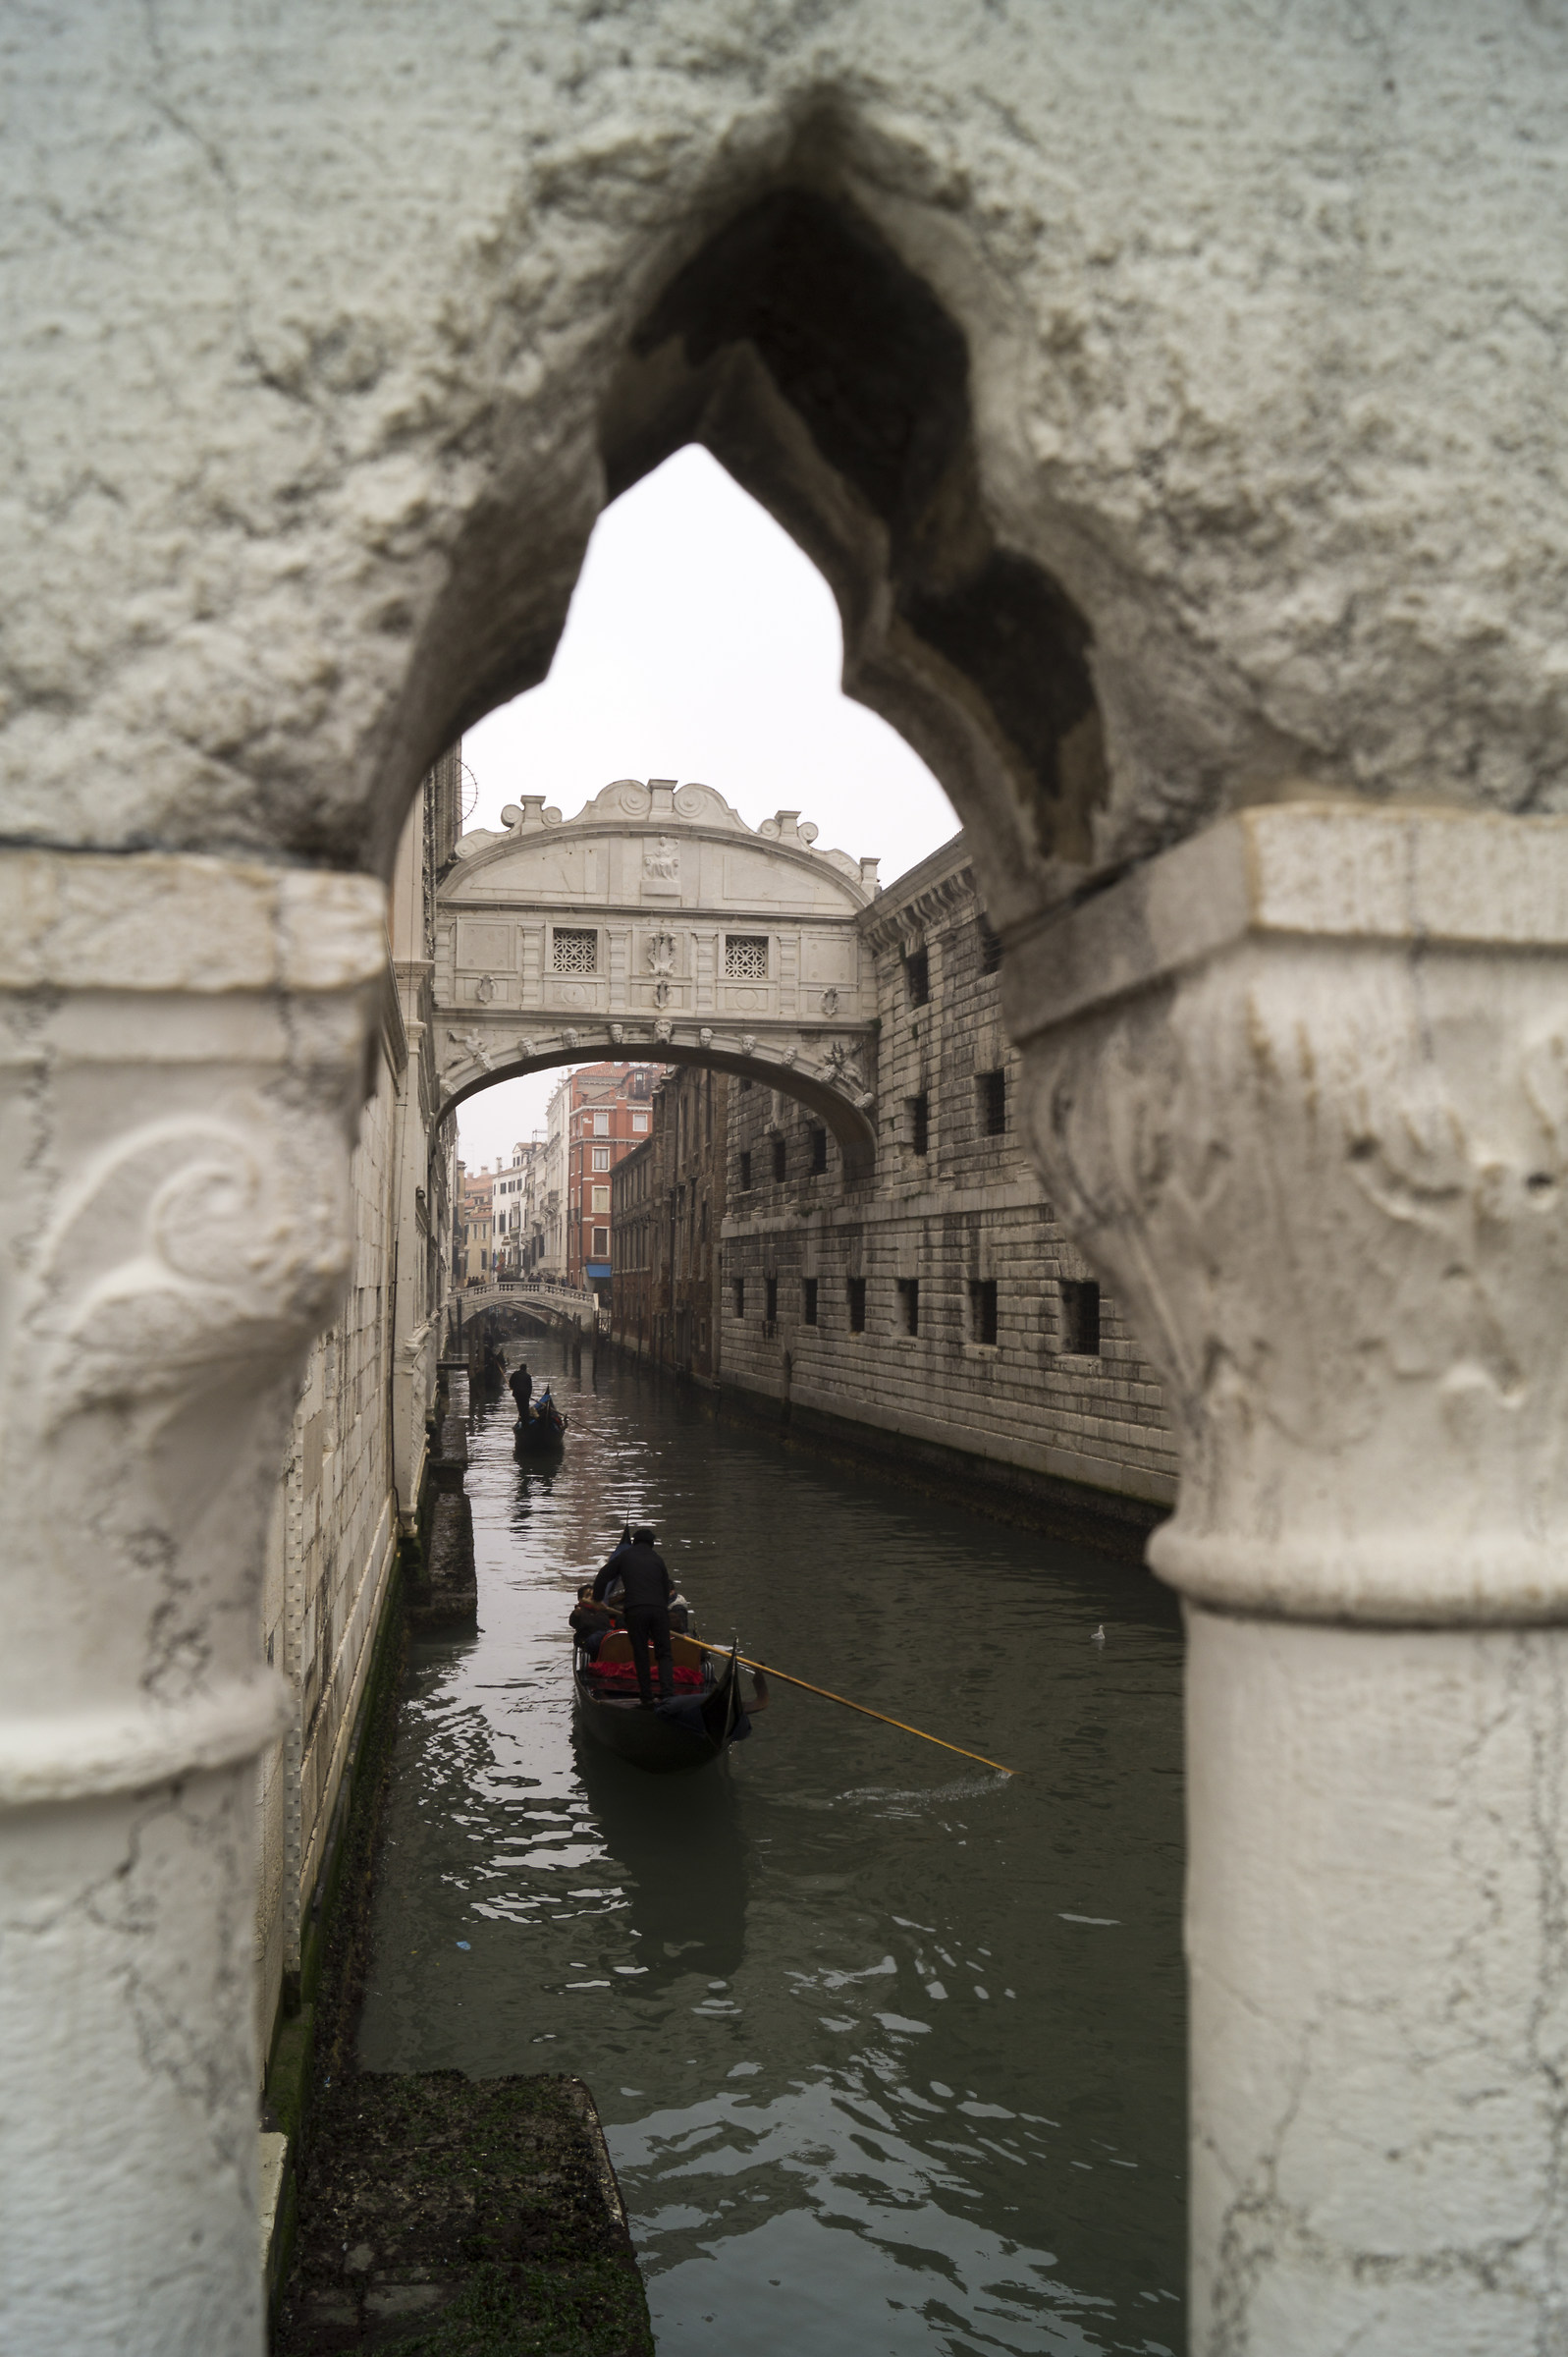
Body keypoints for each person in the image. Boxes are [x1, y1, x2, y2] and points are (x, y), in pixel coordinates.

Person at [592, 1526, 674, 1706]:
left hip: (636, 1611)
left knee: (641, 1653)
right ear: (652, 1544)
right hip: (659, 1610)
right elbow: (665, 1590)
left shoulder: (625, 1556)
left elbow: (603, 1576)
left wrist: (598, 1599)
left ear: (634, 1543)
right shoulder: (658, 1560)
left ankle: (646, 1697)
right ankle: (668, 1696)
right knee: (664, 1654)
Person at [568, 1584, 617, 1659]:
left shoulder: (602, 1610)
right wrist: (576, 1613)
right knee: (596, 1638)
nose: (592, 1597)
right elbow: (573, 1622)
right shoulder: (580, 1611)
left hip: (608, 1634)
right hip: (589, 1638)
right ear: (581, 1599)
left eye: (593, 1595)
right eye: (588, 1595)